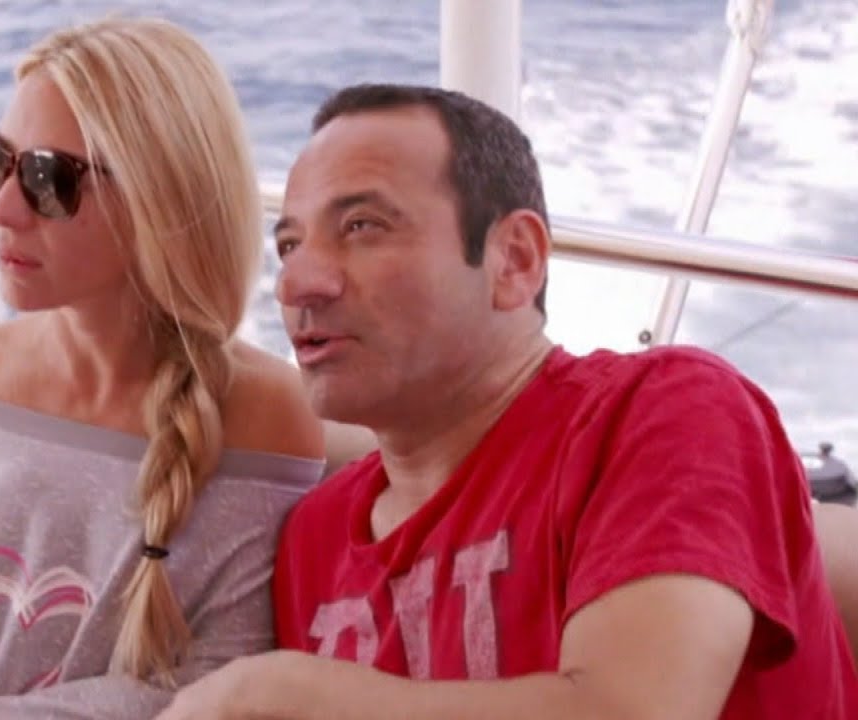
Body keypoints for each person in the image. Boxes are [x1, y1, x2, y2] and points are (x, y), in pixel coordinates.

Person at [155, 83, 858, 719]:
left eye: (362, 227)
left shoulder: (666, 413)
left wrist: (280, 695)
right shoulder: (317, 538)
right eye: (288, 245)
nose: (297, 283)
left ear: (515, 261)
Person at [0, 17, 325, 720]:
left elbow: (216, 686)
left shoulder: (266, 416)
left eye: (48, 179)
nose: (1, 209)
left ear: (160, 197)